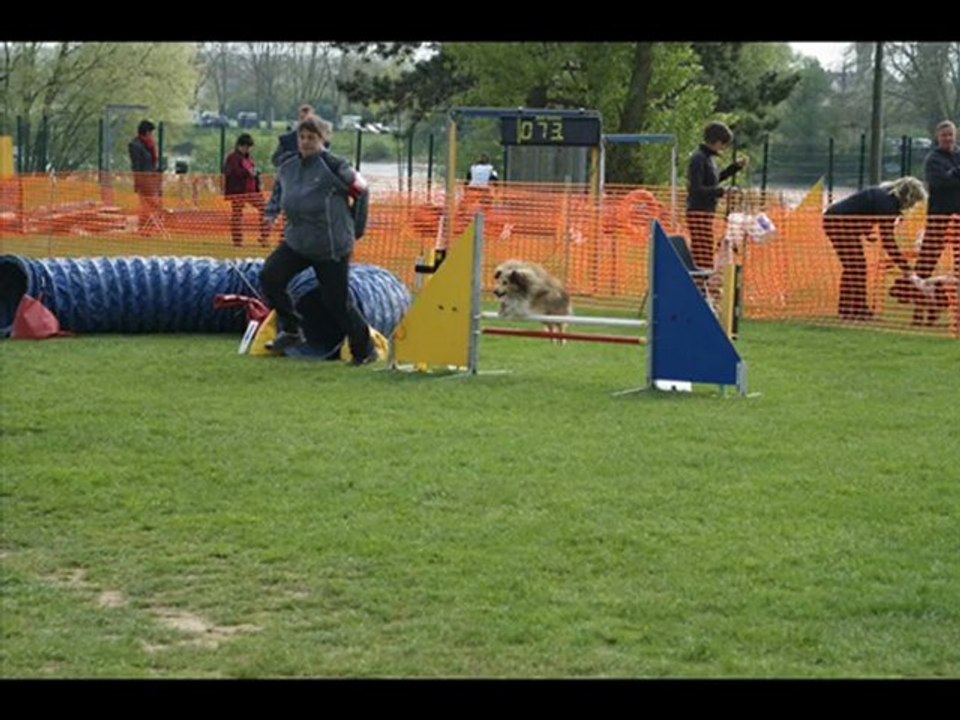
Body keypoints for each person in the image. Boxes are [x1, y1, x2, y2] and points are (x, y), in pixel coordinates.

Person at [260, 114, 375, 363]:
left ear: (323, 140)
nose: (305, 142)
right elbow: (280, 192)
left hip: (331, 245)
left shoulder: (335, 166)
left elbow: (362, 191)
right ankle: (291, 328)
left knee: (336, 302)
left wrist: (356, 228)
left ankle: (364, 349)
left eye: (312, 138)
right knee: (270, 276)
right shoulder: (288, 166)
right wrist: (270, 214)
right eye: (302, 137)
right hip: (298, 241)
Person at [823, 176, 927, 320]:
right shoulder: (888, 205)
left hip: (836, 220)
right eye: (914, 201)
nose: (913, 205)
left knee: (854, 267)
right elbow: (888, 241)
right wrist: (906, 267)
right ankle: (856, 310)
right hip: (839, 224)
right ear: (908, 197)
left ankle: (849, 309)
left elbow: (859, 209)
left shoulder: (882, 195)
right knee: (857, 267)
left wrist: (865, 231)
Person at [685, 121, 748, 275]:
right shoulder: (698, 159)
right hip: (698, 212)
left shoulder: (709, 159)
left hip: (707, 213)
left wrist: (734, 168)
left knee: (705, 250)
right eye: (724, 145)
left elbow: (713, 181)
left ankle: (703, 285)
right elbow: (696, 189)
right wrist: (722, 191)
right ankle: (701, 286)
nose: (724, 149)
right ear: (718, 142)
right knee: (703, 253)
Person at [914, 119, 960, 323]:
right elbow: (941, 182)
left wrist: (954, 176)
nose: (948, 139)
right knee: (926, 262)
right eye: (944, 135)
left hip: (958, 218)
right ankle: (919, 307)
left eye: (950, 134)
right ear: (937, 137)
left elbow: (951, 180)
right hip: (939, 217)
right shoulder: (933, 160)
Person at [223, 133, 268, 247]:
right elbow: (232, 172)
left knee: (265, 210)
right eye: (245, 147)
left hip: (252, 191)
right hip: (238, 191)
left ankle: (264, 238)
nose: (247, 149)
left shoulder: (248, 159)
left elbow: (253, 174)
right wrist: (248, 172)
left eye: (249, 147)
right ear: (239, 146)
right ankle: (238, 241)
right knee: (237, 215)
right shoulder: (232, 158)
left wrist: (257, 184)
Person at [128, 119, 162, 233]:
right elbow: (136, 165)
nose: (152, 135)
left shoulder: (149, 145)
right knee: (148, 204)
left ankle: (150, 227)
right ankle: (144, 228)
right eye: (151, 133)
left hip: (153, 179)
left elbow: (152, 162)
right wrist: (138, 182)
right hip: (144, 180)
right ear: (146, 132)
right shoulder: (135, 145)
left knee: (154, 204)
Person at [271, 103, 314, 168]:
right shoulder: (286, 140)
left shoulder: (321, 141)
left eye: (308, 119)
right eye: (302, 118)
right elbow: (275, 160)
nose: (305, 121)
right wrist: (290, 158)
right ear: (299, 119)